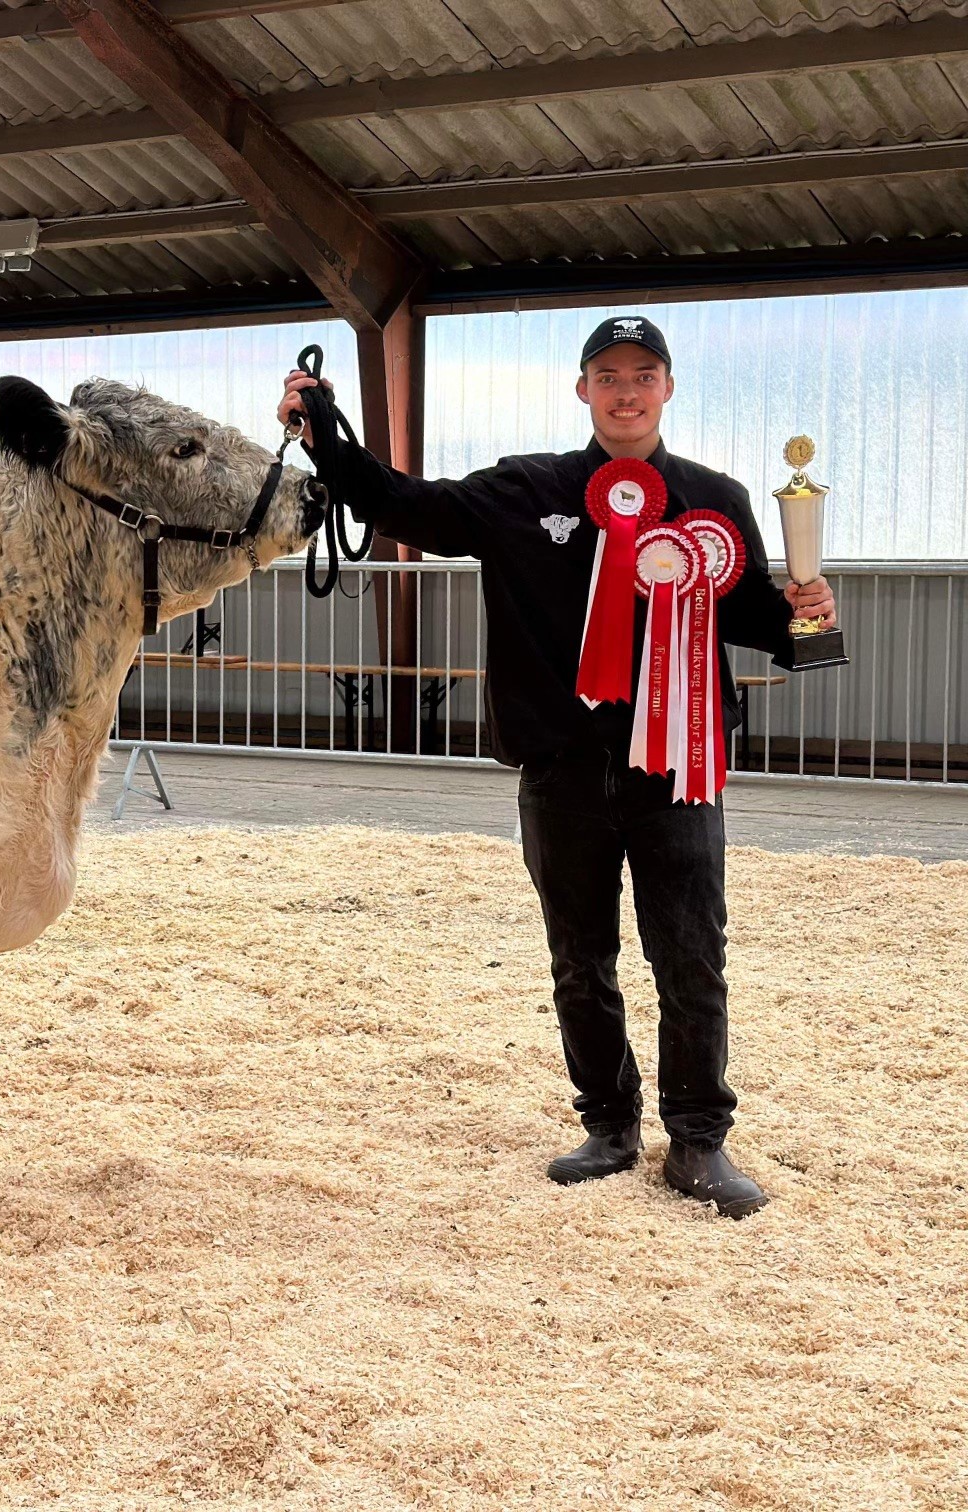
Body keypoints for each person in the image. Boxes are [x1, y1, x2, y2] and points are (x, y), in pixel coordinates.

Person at [279, 316, 835, 1219]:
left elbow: (762, 625)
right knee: (582, 959)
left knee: (692, 958)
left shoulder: (715, 500)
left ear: (667, 388)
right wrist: (327, 434)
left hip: (677, 776)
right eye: (608, 374)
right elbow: (408, 505)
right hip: (560, 770)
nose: (626, 390)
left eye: (643, 374)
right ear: (583, 389)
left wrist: (811, 615)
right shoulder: (523, 488)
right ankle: (609, 1125)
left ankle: (697, 1140)